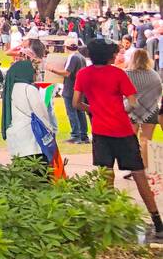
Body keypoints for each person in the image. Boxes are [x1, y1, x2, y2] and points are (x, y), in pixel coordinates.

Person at [73, 39, 163, 237]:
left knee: (106, 176)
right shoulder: (117, 74)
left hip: (100, 131)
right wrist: (121, 111)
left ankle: (110, 220)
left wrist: (94, 110)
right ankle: (157, 221)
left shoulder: (83, 74)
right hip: (122, 130)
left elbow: (76, 102)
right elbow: (133, 102)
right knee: (139, 176)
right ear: (108, 56)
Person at [125, 46, 163, 171]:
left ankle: (134, 168)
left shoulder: (126, 74)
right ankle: (145, 167)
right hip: (151, 109)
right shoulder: (154, 75)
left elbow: (120, 92)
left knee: (131, 140)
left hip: (130, 110)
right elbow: (158, 92)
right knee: (146, 139)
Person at [48, 41, 89, 143]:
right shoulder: (81, 57)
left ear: (67, 47)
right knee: (80, 112)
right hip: (80, 88)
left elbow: (67, 73)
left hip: (71, 88)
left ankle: (76, 135)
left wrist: (52, 69)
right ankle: (83, 135)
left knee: (72, 112)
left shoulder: (73, 57)